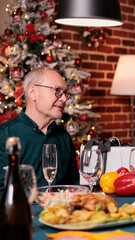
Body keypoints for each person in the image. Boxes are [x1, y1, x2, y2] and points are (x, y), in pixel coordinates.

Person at [0, 67, 80, 197]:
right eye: (57, 91)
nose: (64, 99)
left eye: (65, 93)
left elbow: (73, 184)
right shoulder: (4, 135)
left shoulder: (64, 136)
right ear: (33, 92)